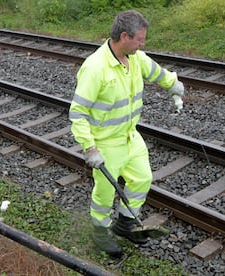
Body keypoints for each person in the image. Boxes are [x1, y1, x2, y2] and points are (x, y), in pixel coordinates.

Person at [68, 10, 185, 257]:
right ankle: (99, 231)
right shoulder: (95, 68)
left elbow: (156, 72)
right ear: (124, 36)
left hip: (130, 136)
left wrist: (173, 84)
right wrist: (90, 147)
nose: (143, 43)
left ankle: (125, 223)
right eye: (140, 39)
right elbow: (78, 113)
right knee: (105, 193)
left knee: (142, 178)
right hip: (106, 141)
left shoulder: (135, 58)